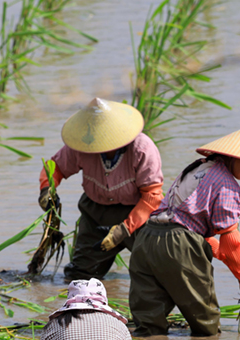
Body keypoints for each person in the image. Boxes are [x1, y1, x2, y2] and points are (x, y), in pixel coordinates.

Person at [128, 126, 240, 336]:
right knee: (206, 324)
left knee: (148, 322)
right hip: (178, 244)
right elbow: (231, 240)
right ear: (235, 157)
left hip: (147, 237)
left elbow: (188, 225)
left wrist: (231, 259)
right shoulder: (227, 183)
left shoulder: (197, 168)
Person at [38, 98, 164, 281]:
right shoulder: (83, 145)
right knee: (80, 275)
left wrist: (124, 230)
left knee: (157, 273)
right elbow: (54, 167)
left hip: (138, 214)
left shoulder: (142, 149)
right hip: (95, 214)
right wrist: (46, 188)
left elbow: (152, 196)